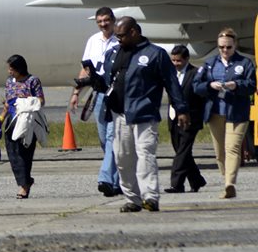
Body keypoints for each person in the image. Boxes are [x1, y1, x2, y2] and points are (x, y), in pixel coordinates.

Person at [96, 17, 187, 212]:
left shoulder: (156, 54)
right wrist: (92, 80)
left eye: (121, 35)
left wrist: (181, 109)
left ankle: (150, 197)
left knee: (145, 155)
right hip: (119, 115)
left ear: (133, 33)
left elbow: (172, 84)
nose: (117, 39)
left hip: (145, 115)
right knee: (122, 158)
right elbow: (107, 83)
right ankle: (133, 199)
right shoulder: (114, 53)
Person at [193, 28, 256, 199]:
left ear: (235, 45)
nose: (225, 51)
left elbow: (251, 85)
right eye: (221, 47)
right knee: (220, 152)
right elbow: (196, 85)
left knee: (233, 148)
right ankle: (225, 179)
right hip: (215, 112)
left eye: (228, 47)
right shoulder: (210, 63)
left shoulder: (245, 63)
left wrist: (237, 86)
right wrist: (209, 86)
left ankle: (230, 184)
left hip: (237, 112)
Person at [70, 8, 121, 197]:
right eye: (99, 21)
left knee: (111, 138)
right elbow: (86, 69)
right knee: (103, 138)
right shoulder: (93, 40)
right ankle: (116, 182)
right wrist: (77, 93)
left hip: (115, 95)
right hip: (99, 94)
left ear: (113, 20)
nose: (103, 24)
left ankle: (105, 179)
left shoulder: (120, 39)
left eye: (106, 20)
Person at [165, 45, 206, 194]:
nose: (176, 64)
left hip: (190, 119)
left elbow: (202, 97)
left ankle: (177, 184)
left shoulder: (195, 73)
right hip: (173, 118)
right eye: (173, 60)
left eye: (179, 61)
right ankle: (196, 180)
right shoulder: (169, 73)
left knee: (182, 152)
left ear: (187, 59)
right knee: (181, 151)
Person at [3, 54, 45, 199]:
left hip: (27, 121)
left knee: (25, 153)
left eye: (12, 69)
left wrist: (24, 101)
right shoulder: (9, 82)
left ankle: (24, 186)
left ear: (19, 69)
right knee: (13, 153)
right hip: (12, 120)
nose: (9, 72)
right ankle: (25, 181)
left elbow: (40, 100)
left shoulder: (33, 81)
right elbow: (7, 100)